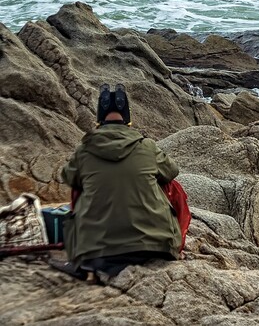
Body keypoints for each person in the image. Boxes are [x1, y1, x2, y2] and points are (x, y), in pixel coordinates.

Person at [58, 84, 185, 280]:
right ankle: (177, 245)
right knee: (172, 186)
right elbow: (172, 171)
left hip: (97, 252)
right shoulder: (147, 146)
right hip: (155, 246)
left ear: (98, 120)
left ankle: (80, 253)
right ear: (128, 120)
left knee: (78, 185)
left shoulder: (84, 150)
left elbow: (67, 177)